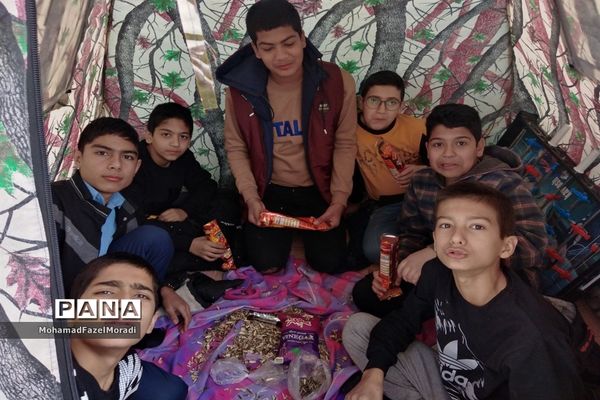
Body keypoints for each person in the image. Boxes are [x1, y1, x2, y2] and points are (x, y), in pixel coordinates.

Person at [342, 182, 588, 400]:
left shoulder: (532, 339)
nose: (456, 237)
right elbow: (403, 321)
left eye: (476, 226)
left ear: (506, 246)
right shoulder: (437, 271)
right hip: (449, 383)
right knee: (358, 329)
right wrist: (373, 376)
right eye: (446, 225)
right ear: (435, 238)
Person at [352, 103, 548, 317]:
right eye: (438, 145)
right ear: (427, 149)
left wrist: (437, 251)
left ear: (479, 147)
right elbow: (412, 233)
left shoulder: (504, 185)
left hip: (491, 282)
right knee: (367, 294)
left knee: (469, 319)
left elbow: (533, 247)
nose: (448, 154)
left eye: (461, 143)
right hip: (444, 271)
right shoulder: (422, 181)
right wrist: (396, 270)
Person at [215, 0, 357, 274]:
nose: (281, 56)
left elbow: (345, 143)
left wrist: (339, 200)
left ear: (302, 39)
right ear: (256, 50)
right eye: (268, 48)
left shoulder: (337, 81)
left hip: (319, 187)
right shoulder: (240, 91)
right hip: (270, 189)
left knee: (329, 264)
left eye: (288, 43)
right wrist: (252, 198)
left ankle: (315, 236)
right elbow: (236, 147)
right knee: (265, 264)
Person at [52, 117, 191, 329]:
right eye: (102, 153)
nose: (116, 164)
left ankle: (135, 318)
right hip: (60, 310)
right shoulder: (51, 203)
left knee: (155, 238)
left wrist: (163, 290)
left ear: (137, 167)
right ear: (78, 158)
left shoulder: (125, 207)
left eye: (127, 157)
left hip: (104, 291)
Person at [123, 103, 244, 299]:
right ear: (149, 135)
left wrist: (184, 211)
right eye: (166, 135)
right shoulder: (135, 163)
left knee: (225, 201)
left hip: (171, 218)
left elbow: (206, 186)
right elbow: (133, 219)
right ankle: (184, 273)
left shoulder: (183, 158)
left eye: (183, 137)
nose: (175, 143)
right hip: (142, 229)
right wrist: (189, 243)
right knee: (161, 252)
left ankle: (211, 258)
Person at [70, 253, 187, 400]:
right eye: (106, 292)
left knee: (174, 388)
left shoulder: (129, 367)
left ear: (151, 322)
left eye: (141, 296)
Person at [349, 70, 426, 264]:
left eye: (391, 102)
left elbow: (449, 167)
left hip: (421, 198)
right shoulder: (349, 130)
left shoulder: (418, 129)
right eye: (374, 100)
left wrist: (425, 170)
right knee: (374, 252)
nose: (382, 110)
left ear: (400, 106)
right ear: (361, 102)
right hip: (385, 205)